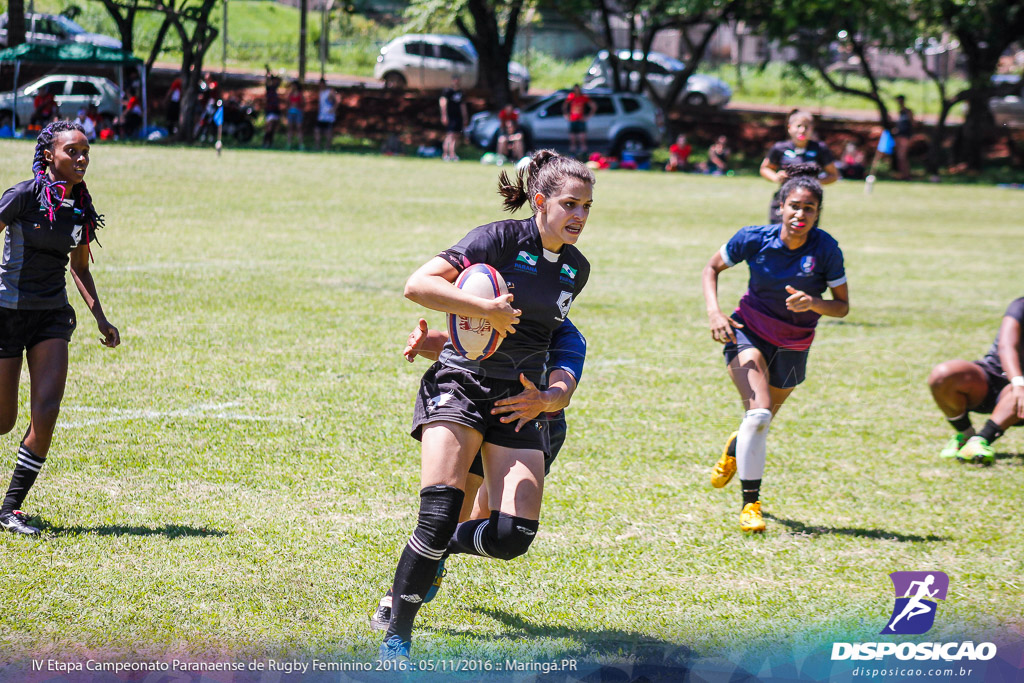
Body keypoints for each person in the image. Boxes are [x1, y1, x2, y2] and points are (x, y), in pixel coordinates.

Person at [378, 150, 594, 661]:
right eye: (570, 204)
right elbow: (419, 284)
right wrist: (479, 311)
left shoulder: (576, 269)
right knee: (438, 510)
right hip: (460, 386)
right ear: (539, 202)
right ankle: (397, 633)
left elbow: (551, 336)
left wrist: (550, 396)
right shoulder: (495, 239)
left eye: (587, 206)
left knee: (511, 535)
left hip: (518, 401)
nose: (580, 216)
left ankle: (443, 548)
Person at [369, 315, 586, 631]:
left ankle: (441, 547)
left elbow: (562, 387)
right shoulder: (507, 311)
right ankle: (397, 594)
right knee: (449, 511)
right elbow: (467, 344)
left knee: (489, 518)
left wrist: (546, 398)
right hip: (480, 406)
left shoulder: (565, 334)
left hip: (532, 424)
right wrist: (427, 343)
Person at [701, 170, 848, 533]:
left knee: (760, 422)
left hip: (794, 344)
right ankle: (751, 504)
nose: (800, 215)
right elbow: (711, 268)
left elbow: (842, 306)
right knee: (759, 415)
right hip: (746, 332)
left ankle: (735, 448)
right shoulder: (754, 238)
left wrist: (813, 302)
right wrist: (715, 312)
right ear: (780, 207)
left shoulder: (826, 249)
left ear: (817, 213)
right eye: (794, 206)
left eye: (809, 209)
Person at [0, 120, 120, 536]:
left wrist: (100, 317)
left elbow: (80, 266)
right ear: (49, 155)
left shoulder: (80, 207)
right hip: (7, 312)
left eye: (86, 152)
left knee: (46, 413)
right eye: (73, 151)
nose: (82, 158)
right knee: (2, 419)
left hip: (51, 316)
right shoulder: (22, 195)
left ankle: (10, 510)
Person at [927, 298, 1024, 465]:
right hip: (995, 378)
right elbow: (1007, 346)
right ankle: (965, 436)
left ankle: (981, 440)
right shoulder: (1020, 306)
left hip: (1019, 402)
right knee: (944, 374)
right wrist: (1018, 382)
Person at [760, 110, 839, 223]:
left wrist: (816, 181)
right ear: (789, 127)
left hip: (809, 199)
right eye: (798, 126)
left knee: (805, 235)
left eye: (806, 127)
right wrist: (776, 177)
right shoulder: (779, 148)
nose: (802, 130)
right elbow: (765, 168)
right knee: (778, 232)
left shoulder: (820, 149)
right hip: (784, 197)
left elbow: (833, 175)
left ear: (812, 129)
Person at [562, 84, 596, 157]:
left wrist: (588, 116)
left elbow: (593, 106)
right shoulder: (571, 96)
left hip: (580, 120)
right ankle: (572, 155)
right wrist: (566, 115)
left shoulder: (583, 97)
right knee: (572, 139)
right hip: (573, 120)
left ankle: (584, 155)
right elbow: (564, 106)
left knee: (582, 139)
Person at [439, 77, 468, 162]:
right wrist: (444, 115)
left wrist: (465, 117)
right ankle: (445, 154)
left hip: (458, 117)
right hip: (450, 116)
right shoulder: (447, 91)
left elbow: (463, 105)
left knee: (456, 136)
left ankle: (452, 154)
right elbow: (443, 103)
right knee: (450, 135)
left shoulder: (461, 92)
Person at [893, 95, 914, 180]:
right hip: (899, 136)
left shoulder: (908, 112)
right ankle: (902, 174)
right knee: (899, 157)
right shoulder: (900, 112)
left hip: (905, 136)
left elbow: (913, 124)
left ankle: (907, 175)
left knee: (903, 156)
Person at [314, 78, 338, 152]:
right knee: (317, 130)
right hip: (321, 115)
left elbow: (337, 101)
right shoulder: (320, 92)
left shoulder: (330, 91)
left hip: (329, 116)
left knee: (328, 132)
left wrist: (333, 109)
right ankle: (317, 147)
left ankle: (327, 147)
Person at [263, 68, 282, 149]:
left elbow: (280, 80)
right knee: (269, 127)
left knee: (273, 128)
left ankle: (270, 143)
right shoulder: (269, 88)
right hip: (269, 110)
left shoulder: (275, 88)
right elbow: (267, 80)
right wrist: (268, 72)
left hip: (276, 110)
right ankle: (265, 142)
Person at [285, 80, 304, 150]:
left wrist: (298, 105)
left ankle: (301, 144)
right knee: (290, 128)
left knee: (299, 128)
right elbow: (287, 103)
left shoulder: (300, 94)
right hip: (291, 112)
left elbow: (303, 103)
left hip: (298, 112)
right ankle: (288, 144)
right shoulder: (290, 94)